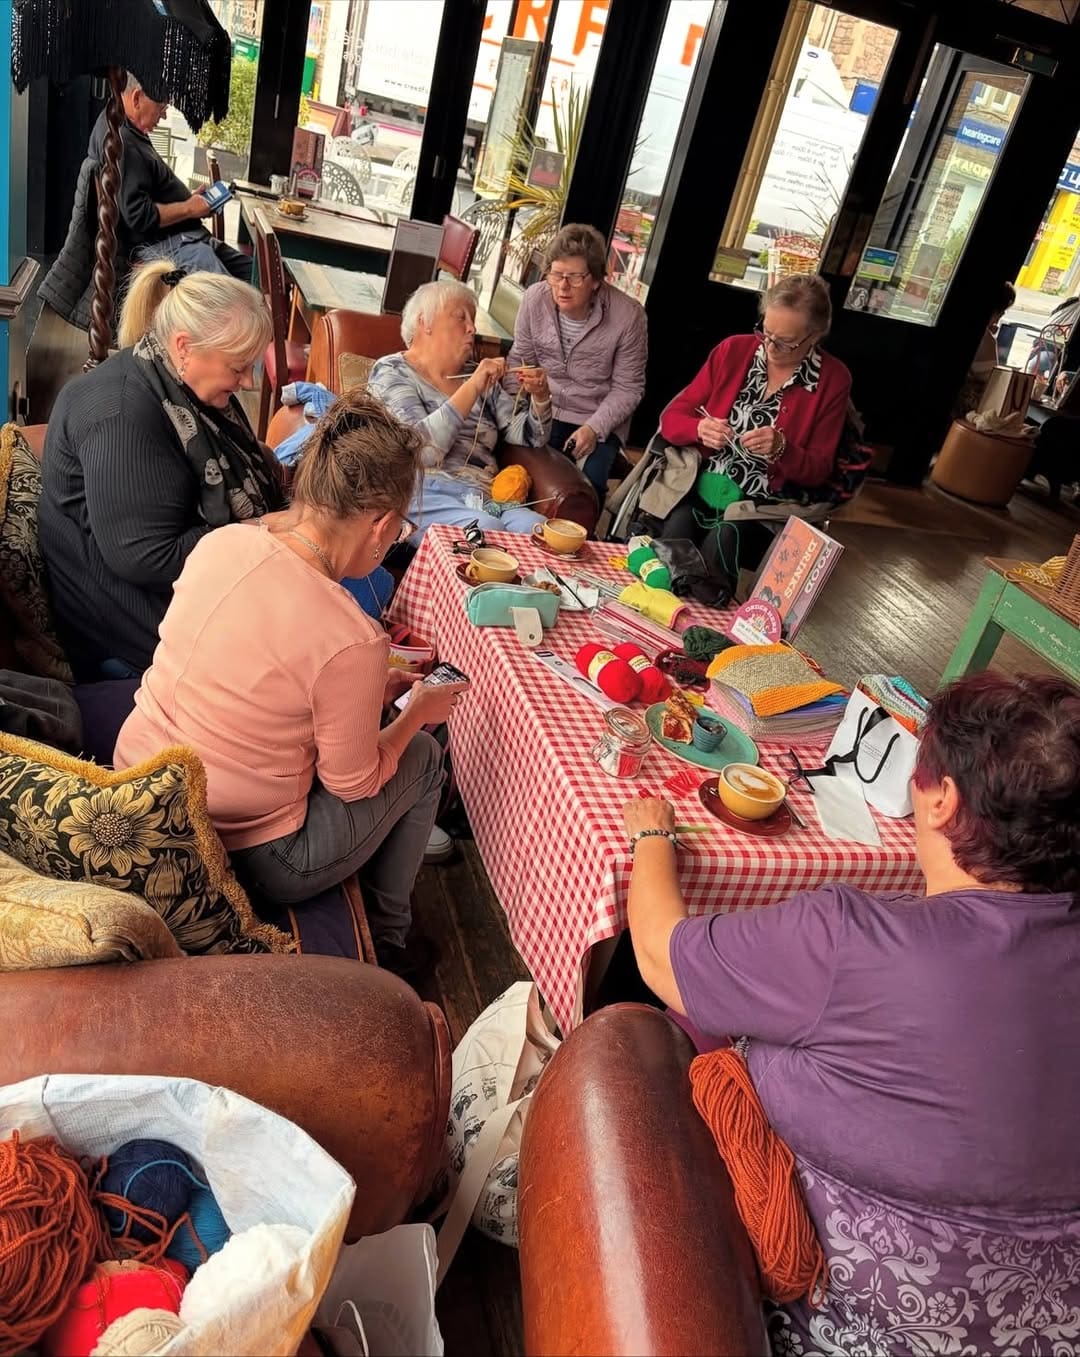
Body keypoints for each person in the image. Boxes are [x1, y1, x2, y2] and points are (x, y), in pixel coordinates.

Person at [621, 671, 1080, 1354]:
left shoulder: (850, 940)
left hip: (827, 1319)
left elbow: (660, 954)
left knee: (649, 1022)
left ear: (942, 800)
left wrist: (653, 837)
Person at [114, 394, 459, 978]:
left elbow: (262, 678)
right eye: (399, 527)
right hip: (248, 849)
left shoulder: (223, 542)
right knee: (423, 758)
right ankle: (393, 937)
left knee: (382, 728)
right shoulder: (352, 637)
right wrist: (418, 711)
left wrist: (371, 693)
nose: (393, 541)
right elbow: (354, 784)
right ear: (379, 524)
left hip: (143, 784)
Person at [38, 262, 284, 680]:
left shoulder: (179, 381)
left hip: (165, 602)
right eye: (238, 367)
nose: (248, 381)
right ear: (184, 345)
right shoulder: (119, 414)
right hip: (130, 636)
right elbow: (149, 559)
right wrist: (269, 529)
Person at [654, 272, 852, 584]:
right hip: (697, 488)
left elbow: (818, 470)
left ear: (813, 337)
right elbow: (671, 419)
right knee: (672, 544)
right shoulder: (734, 350)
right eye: (766, 331)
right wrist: (699, 428)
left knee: (722, 544)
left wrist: (782, 449)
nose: (770, 346)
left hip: (761, 508)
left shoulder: (832, 380)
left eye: (785, 342)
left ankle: (705, 626)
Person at [39, 72, 250, 329]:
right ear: (137, 97)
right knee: (232, 308)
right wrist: (188, 208)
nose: (163, 115)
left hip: (186, 238)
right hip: (170, 245)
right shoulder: (121, 142)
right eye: (161, 107)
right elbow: (139, 215)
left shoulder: (118, 125)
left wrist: (189, 201)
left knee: (254, 274)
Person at [368, 280, 552, 539]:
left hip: (483, 497)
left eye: (473, 320)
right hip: (421, 493)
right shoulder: (392, 372)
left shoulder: (476, 376)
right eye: (460, 318)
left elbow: (531, 436)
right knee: (486, 531)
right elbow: (421, 452)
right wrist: (473, 386)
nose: (472, 328)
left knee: (540, 531)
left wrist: (541, 397)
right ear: (425, 323)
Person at [508, 222, 647, 505]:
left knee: (584, 493)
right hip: (542, 407)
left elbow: (628, 389)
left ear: (596, 280)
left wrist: (594, 428)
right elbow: (520, 358)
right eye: (556, 274)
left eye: (575, 277)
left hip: (594, 416)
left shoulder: (628, 316)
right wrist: (511, 410)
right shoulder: (535, 299)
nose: (562, 286)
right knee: (515, 476)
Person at [957, 279, 1015, 413]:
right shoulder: (985, 338)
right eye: (1002, 310)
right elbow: (991, 381)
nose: (1002, 315)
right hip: (963, 406)